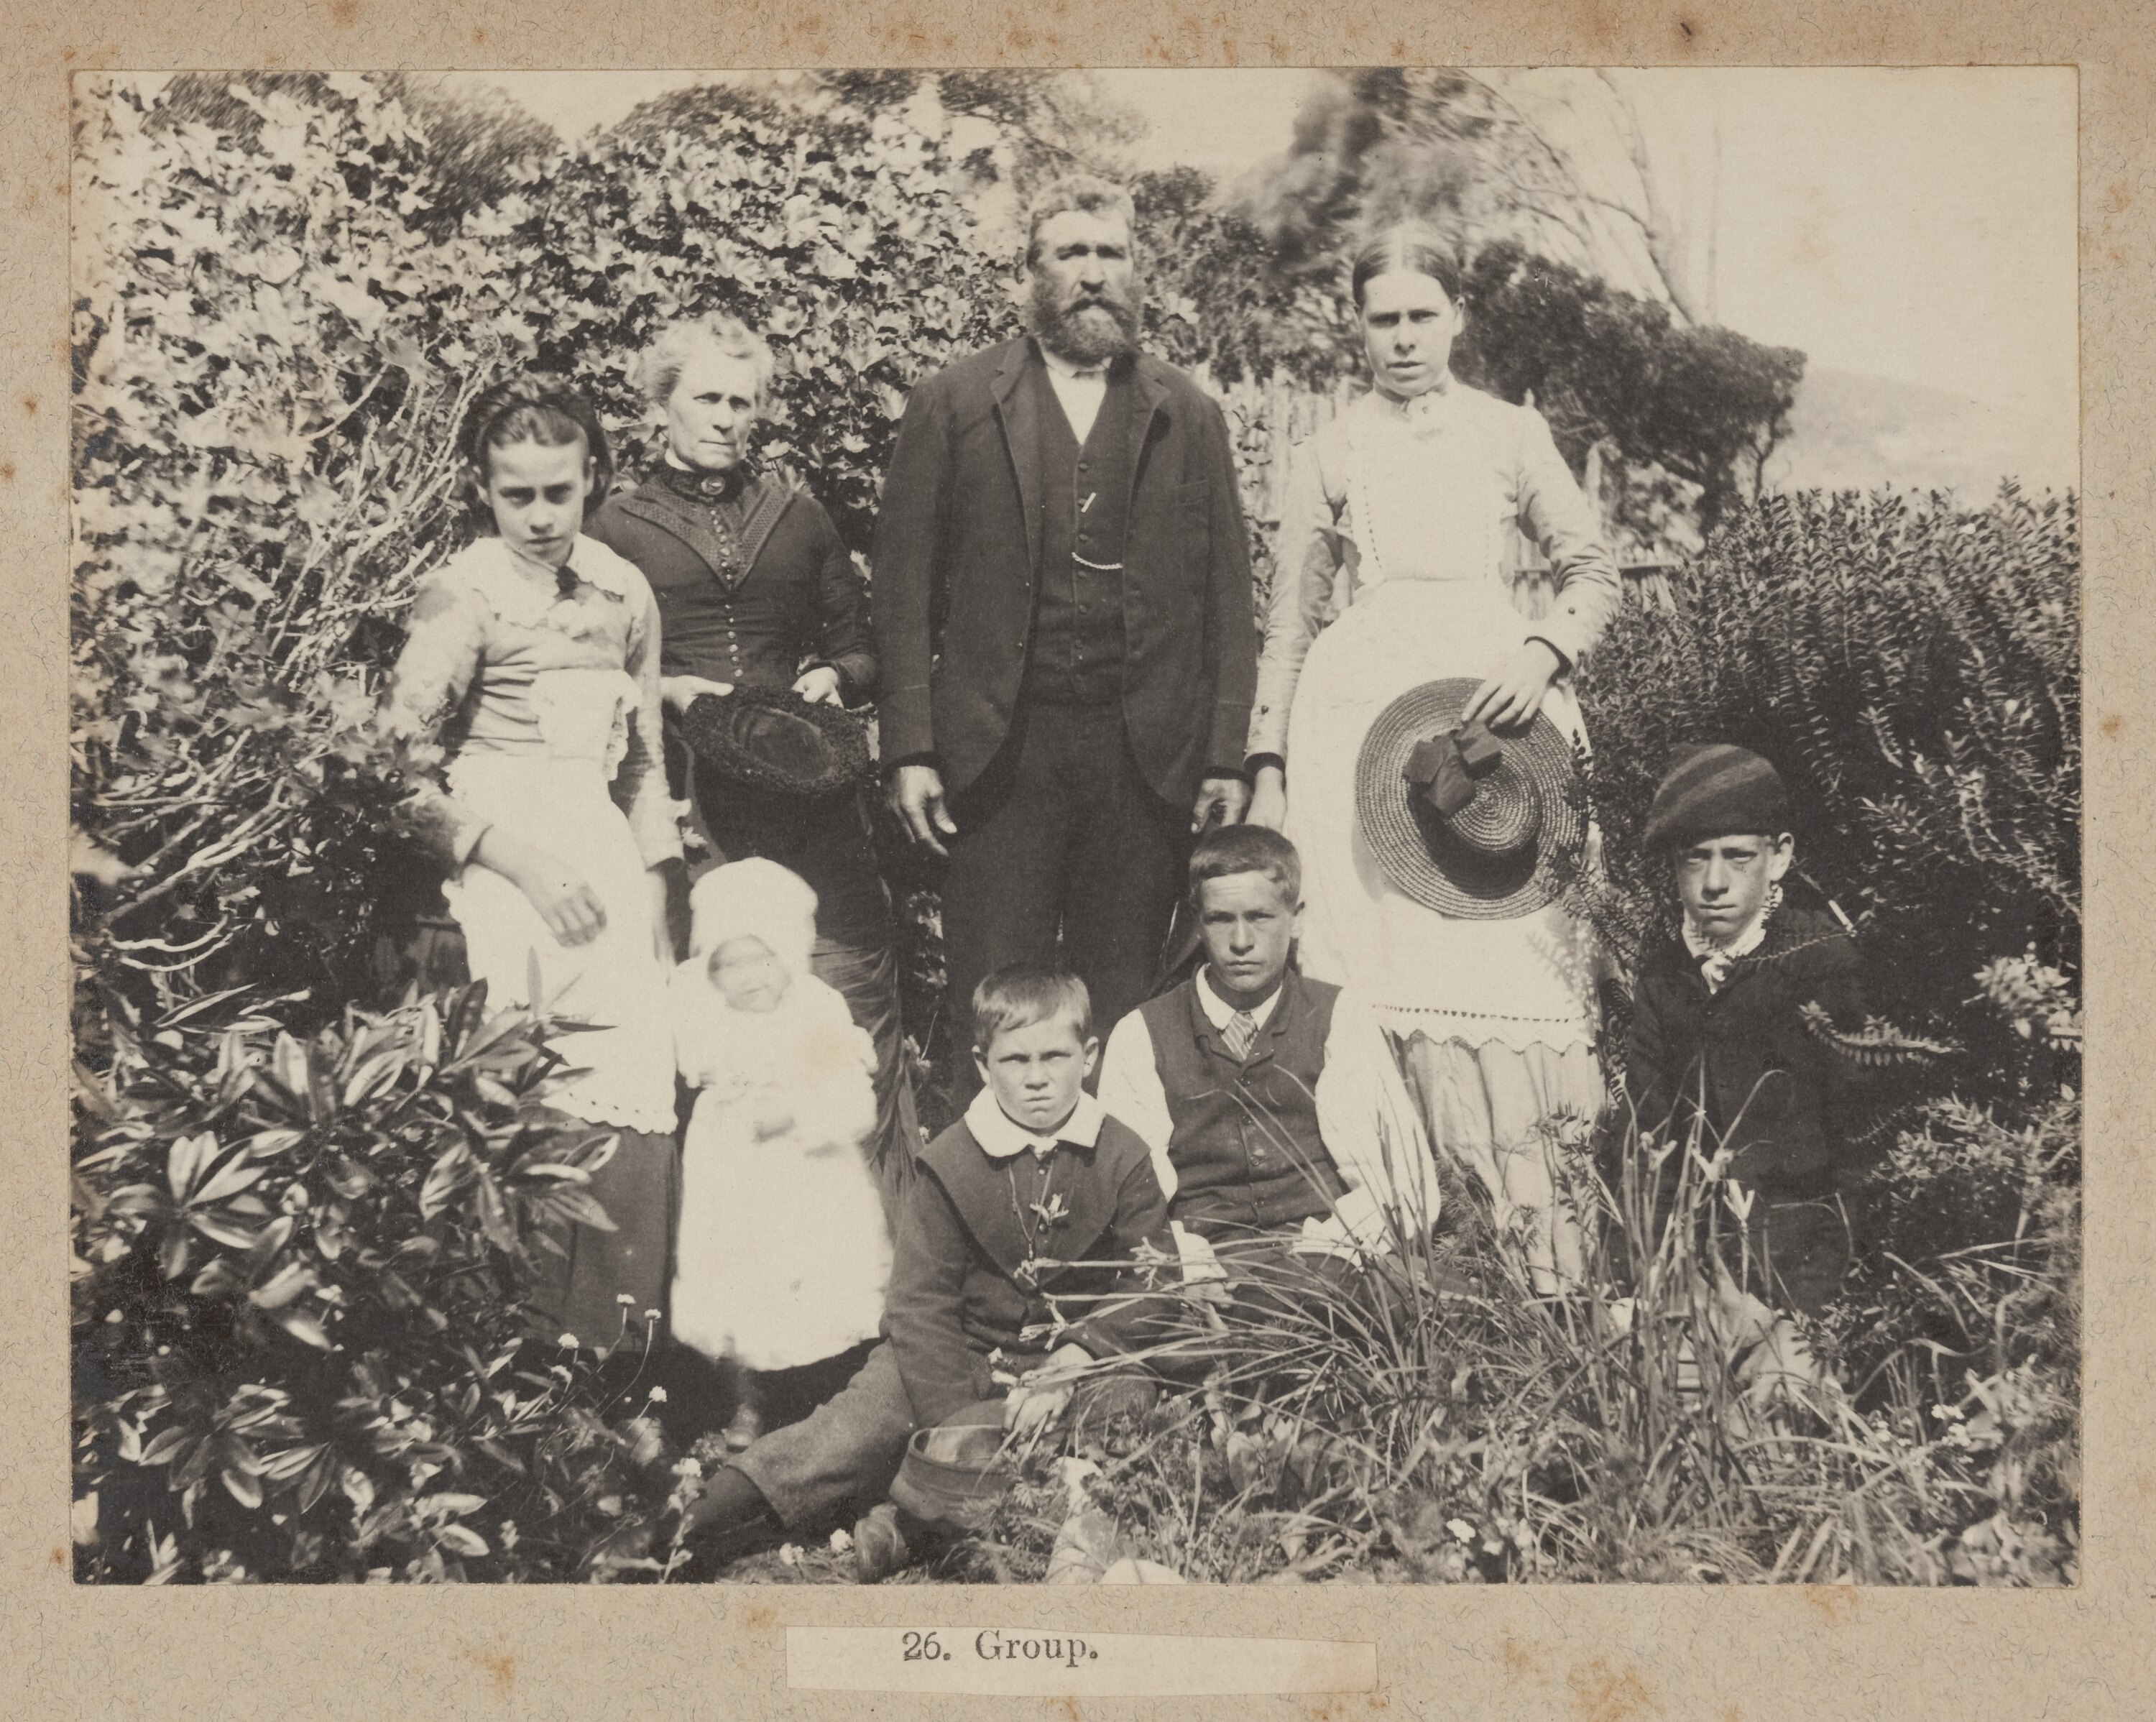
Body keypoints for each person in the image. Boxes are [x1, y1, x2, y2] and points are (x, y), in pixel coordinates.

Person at [1245, 222, 1623, 1292]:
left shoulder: (1510, 433)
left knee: (1511, 953)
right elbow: (1290, 622)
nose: (1404, 338)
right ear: (1357, 326)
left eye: (1423, 315)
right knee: (1378, 964)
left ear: (1460, 316)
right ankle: (1407, 1257)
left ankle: (1538, 1252)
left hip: (1497, 716)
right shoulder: (1328, 452)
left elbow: (1592, 571)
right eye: (1384, 320)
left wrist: (1543, 651)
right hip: (1357, 731)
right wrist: (1268, 760)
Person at [873, 174, 1259, 1102]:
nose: (1093, 274)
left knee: (1123, 1006)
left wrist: (1222, 754)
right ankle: (986, 1185)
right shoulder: (954, 403)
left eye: (1111, 253)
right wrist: (912, 747)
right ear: (1031, 271)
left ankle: (1117, 1187)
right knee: (994, 995)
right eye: (1071, 253)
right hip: (1000, 755)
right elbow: (902, 588)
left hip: (1141, 760)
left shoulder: (1187, 414)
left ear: (1138, 272)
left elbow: (1227, 599)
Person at [676, 965, 1176, 1580]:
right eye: (1016, 1059)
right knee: (854, 1429)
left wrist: (1078, 1355)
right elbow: (919, 1304)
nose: (1037, 1077)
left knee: (1128, 1405)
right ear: (983, 1064)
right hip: (954, 1356)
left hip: (1071, 1368)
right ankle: (691, 1522)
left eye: (1055, 1056)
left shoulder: (1123, 1154)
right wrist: (954, 1417)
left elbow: (1157, 1279)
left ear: (1089, 1057)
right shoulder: (951, 1161)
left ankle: (909, 1520)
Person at [586, 313, 919, 1224]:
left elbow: (862, 645)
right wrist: (666, 687)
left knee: (849, 1006)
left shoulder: (798, 515)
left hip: (809, 796)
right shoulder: (614, 525)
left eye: (742, 401)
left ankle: (873, 1247)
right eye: (706, 397)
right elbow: (594, 662)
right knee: (708, 1023)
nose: (726, 417)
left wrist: (831, 677)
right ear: (660, 406)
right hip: (691, 803)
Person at [382, 375, 680, 1355]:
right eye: (519, 495)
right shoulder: (460, 596)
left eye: (561, 490)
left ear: (594, 477)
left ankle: (612, 1357)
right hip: (500, 865)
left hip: (601, 852)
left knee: (630, 1075)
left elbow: (642, 761)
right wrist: (516, 861)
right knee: (525, 1084)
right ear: (484, 488)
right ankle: (510, 1358)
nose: (543, 516)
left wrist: (656, 895)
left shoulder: (624, 591)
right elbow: (395, 776)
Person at [1096, 825, 1440, 1292]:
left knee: (1435, 1301)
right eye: (1221, 919)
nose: (1241, 941)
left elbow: (1401, 1181)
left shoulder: (1339, 1017)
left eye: (1260, 917)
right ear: (1198, 924)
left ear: (1296, 919)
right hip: (1202, 1271)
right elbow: (1132, 1197)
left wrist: (1323, 1256)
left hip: (1328, 1262)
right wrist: (1192, 1271)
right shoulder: (1142, 1033)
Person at [1624, 745, 1879, 1317]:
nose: (1714, 882)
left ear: (1779, 856)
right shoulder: (1664, 977)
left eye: (1737, 857)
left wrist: (1816, 1303)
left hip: (1805, 1264)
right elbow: (1646, 1130)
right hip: (1697, 1258)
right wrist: (1650, 1274)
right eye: (1695, 859)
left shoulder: (1821, 962)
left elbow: (1857, 1146)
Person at [670, 859, 892, 1451]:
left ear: (789, 952)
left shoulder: (813, 1013)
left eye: (762, 958)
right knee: (738, 1287)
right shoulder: (705, 1017)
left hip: (804, 1174)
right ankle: (749, 1399)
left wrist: (796, 1111)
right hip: (731, 1176)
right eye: (729, 962)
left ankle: (823, 1392)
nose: (748, 977)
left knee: (810, 1282)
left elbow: (852, 1102)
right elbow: (692, 1060)